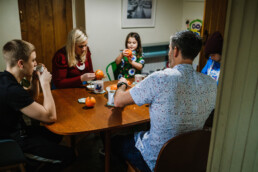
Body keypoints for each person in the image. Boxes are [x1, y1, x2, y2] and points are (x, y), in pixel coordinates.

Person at [112, 30, 217, 172]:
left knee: (115, 140)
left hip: (157, 161)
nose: (169, 53)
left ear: (175, 51)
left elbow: (118, 101)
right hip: (189, 158)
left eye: (169, 48)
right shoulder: (211, 84)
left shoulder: (160, 78)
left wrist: (122, 84)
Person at [0, 40, 76, 171]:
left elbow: (29, 99)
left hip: (14, 132)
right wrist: (46, 84)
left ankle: (36, 160)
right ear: (21, 63)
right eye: (33, 60)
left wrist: (35, 80)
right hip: (13, 144)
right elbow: (50, 116)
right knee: (70, 156)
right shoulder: (12, 90)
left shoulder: (5, 79)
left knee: (55, 134)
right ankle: (33, 161)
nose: (35, 64)